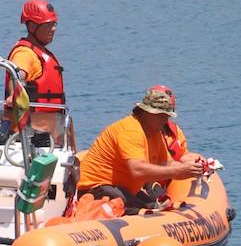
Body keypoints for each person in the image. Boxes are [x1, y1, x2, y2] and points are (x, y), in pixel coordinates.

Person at [77, 86, 205, 212]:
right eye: (161, 116)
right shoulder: (131, 130)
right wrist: (179, 170)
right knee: (141, 209)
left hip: (123, 188)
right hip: (95, 187)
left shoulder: (155, 132)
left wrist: (192, 169)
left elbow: (168, 163)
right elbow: (138, 170)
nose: (166, 121)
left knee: (158, 205)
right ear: (146, 113)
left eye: (167, 116)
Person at [5, 0, 66, 142]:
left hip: (50, 135)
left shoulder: (42, 52)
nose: (53, 29)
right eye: (48, 25)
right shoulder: (25, 54)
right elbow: (17, 74)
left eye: (54, 24)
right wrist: (14, 93)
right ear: (32, 26)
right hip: (31, 138)